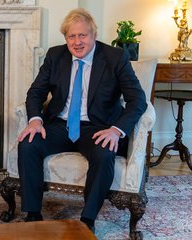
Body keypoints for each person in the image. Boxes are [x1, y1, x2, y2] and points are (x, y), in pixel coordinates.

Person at [18, 8, 147, 233]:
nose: (77, 42)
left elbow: (138, 100)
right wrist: (35, 120)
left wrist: (116, 130)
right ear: (66, 38)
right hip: (60, 124)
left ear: (93, 35)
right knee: (28, 144)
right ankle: (32, 215)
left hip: (98, 127)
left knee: (105, 153)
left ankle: (87, 220)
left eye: (82, 35)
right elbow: (36, 92)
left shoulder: (115, 58)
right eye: (71, 36)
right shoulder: (55, 55)